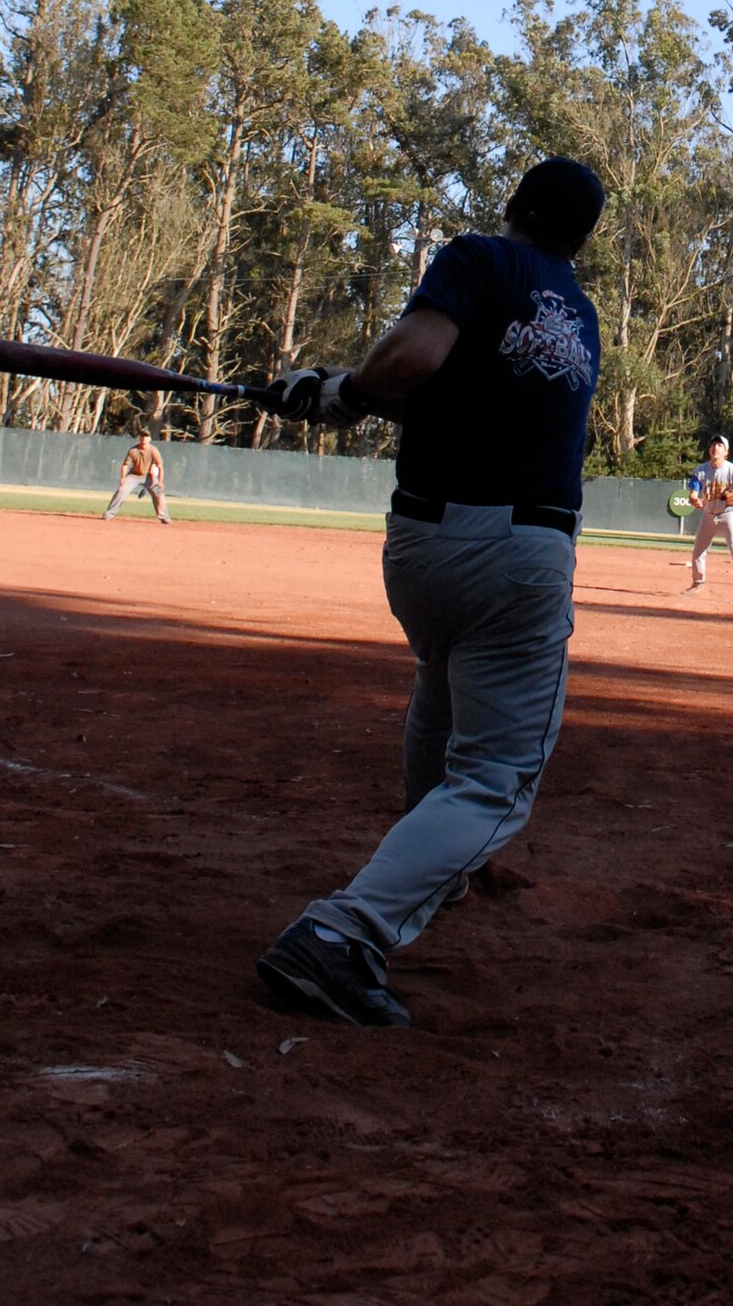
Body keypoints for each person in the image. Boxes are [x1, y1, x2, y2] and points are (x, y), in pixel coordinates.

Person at [255, 156, 605, 1029]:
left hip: (421, 549)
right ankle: (345, 933)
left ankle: (424, 867)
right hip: (519, 548)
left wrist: (337, 391)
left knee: (442, 688)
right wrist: (350, 390)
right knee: (494, 779)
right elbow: (418, 363)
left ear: (515, 207)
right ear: (582, 238)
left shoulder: (480, 260)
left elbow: (426, 374)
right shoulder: (580, 317)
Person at [685, 434, 733, 603]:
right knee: (698, 552)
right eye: (713, 445)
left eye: (720, 445)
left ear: (726, 452)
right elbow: (693, 494)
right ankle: (698, 582)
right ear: (709, 450)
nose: (715, 447)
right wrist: (694, 500)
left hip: (728, 516)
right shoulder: (700, 471)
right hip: (709, 516)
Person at [102, 429, 171, 524]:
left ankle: (164, 517)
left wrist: (160, 481)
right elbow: (125, 465)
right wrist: (122, 478)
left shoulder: (153, 450)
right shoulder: (133, 450)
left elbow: (160, 466)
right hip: (134, 476)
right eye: (142, 436)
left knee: (159, 494)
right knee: (121, 491)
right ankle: (110, 513)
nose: (144, 438)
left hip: (149, 477)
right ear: (139, 438)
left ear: (150, 439)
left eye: (146, 436)